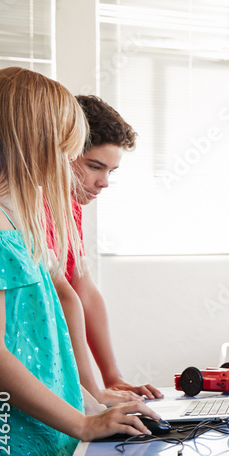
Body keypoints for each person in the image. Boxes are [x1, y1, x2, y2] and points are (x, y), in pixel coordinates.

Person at [0, 67, 160, 456]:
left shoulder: (23, 215)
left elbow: (58, 318)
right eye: (71, 144)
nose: (74, 158)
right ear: (36, 139)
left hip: (43, 455)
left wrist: (95, 395)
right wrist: (82, 421)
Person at [48, 95, 161, 404]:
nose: (104, 183)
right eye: (95, 167)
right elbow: (64, 297)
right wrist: (92, 392)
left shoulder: (71, 205)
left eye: (111, 171)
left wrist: (112, 378)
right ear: (63, 152)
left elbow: (83, 288)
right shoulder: (35, 205)